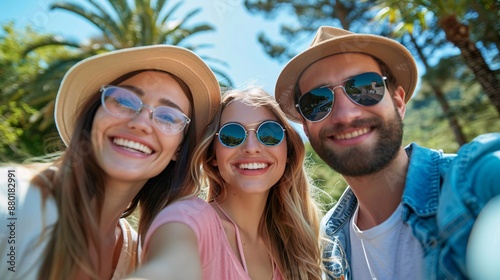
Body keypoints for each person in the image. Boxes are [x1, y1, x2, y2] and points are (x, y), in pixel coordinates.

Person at [273, 26, 500, 279]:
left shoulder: (474, 182)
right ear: (306, 127)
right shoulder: (329, 241)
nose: (346, 114)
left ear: (399, 102)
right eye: (317, 102)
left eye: (364, 87)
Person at [0, 45, 221, 280]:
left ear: (179, 148)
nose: (141, 123)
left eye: (168, 116)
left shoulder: (136, 254)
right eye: (125, 102)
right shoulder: (14, 200)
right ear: (94, 114)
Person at [126, 87, 323, 280]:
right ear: (213, 155)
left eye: (269, 133)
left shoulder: (297, 243)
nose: (252, 148)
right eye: (233, 135)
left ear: (287, 150)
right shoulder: (190, 218)